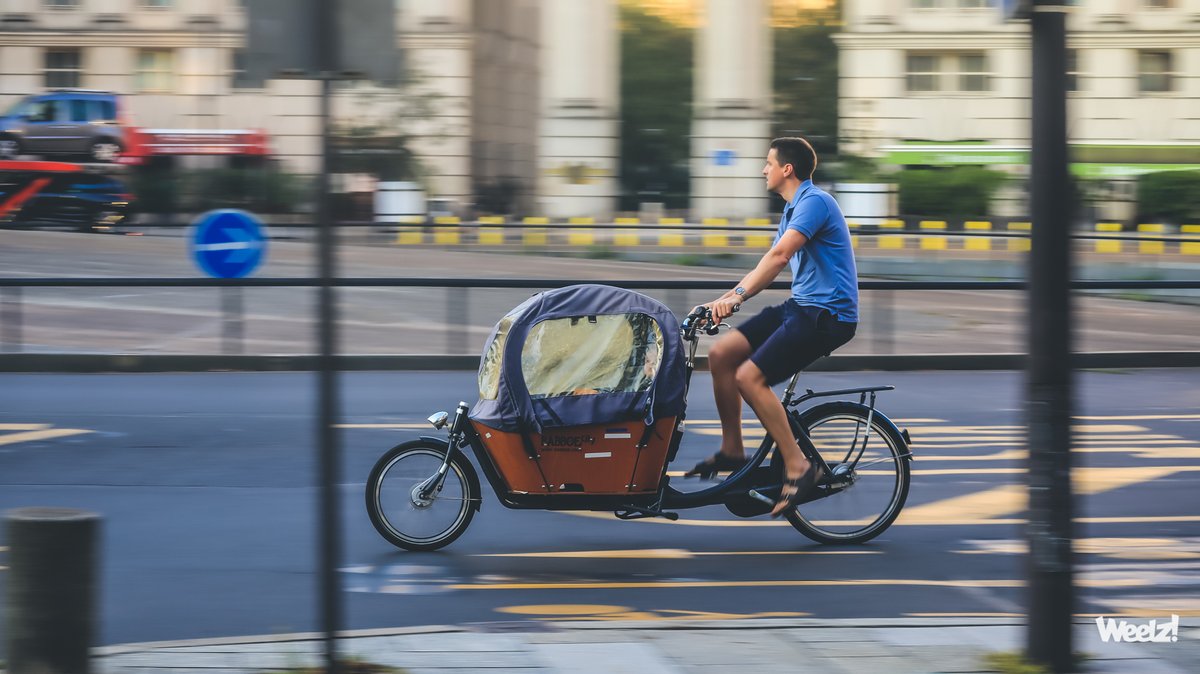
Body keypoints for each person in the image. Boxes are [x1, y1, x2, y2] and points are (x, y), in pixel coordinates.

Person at [686, 137, 859, 518]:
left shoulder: (814, 203)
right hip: (802, 307)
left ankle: (799, 465)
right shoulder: (792, 210)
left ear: (787, 169)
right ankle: (733, 448)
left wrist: (738, 296)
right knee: (721, 354)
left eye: (768, 163)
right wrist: (721, 300)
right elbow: (770, 261)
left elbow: (780, 256)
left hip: (827, 317)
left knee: (749, 378)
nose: (763, 169)